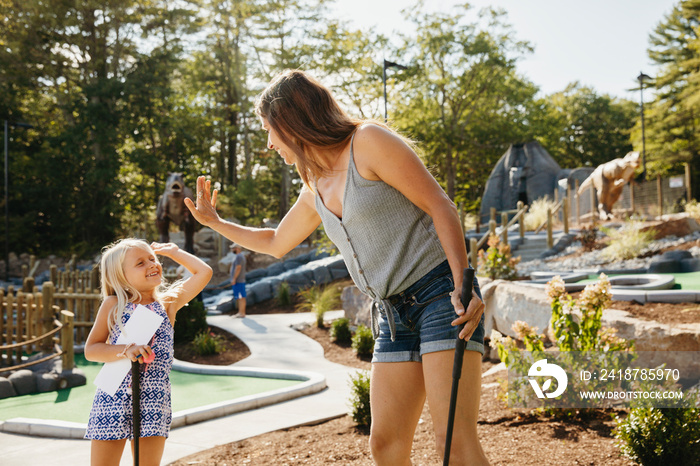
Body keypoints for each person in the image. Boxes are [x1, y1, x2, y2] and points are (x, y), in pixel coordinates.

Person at [184, 69, 489, 465]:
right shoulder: (314, 185)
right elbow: (276, 242)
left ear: (290, 121)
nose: (269, 143)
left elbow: (440, 206)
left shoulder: (368, 142)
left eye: (269, 130)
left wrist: (463, 284)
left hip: (440, 299)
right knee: (385, 444)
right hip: (392, 314)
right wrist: (217, 223)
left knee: (452, 443)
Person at [84, 239, 212, 466]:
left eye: (153, 258)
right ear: (121, 276)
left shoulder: (168, 304)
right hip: (112, 395)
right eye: (140, 263)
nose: (152, 264)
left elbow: (204, 272)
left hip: (153, 398)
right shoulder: (113, 306)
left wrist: (175, 252)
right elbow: (92, 350)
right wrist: (126, 350)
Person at [229, 242, 247, 317]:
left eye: (233, 248)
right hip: (240, 280)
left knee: (240, 297)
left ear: (237, 248)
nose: (232, 250)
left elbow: (238, 268)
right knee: (241, 297)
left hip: (238, 281)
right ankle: (241, 312)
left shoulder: (239, 257)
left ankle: (241, 313)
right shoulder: (241, 256)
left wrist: (234, 279)